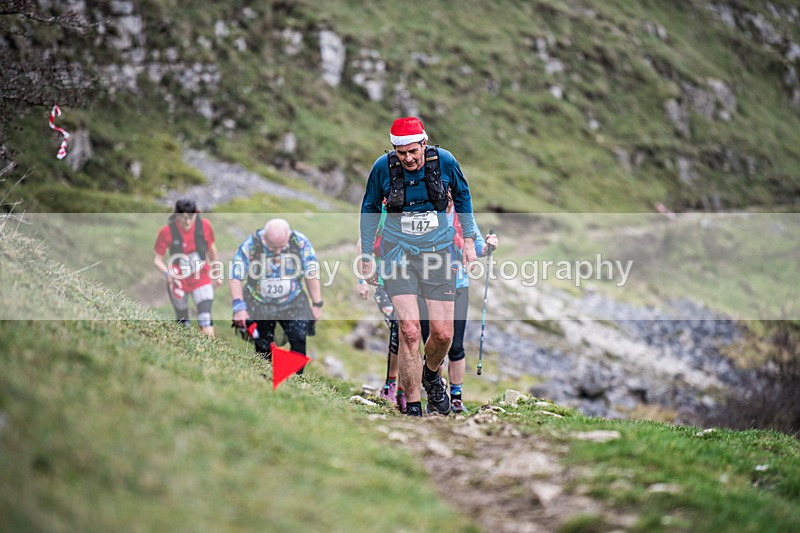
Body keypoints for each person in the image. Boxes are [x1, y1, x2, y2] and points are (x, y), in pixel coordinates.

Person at [359, 117, 478, 417]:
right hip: (397, 255)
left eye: (413, 151)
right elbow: (370, 209)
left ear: (424, 143)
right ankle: (412, 405)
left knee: (443, 335)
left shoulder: (445, 162)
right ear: (394, 151)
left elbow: (463, 196)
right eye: (402, 153)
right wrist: (365, 255)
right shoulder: (382, 168)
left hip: (438, 255)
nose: (409, 158)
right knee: (410, 331)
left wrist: (471, 241)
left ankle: (430, 375)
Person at [419, 195, 499, 413]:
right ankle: (436, 394)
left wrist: (490, 246)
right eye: (445, 196)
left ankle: (456, 397)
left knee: (455, 345)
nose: (449, 200)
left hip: (459, 285)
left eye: (452, 196)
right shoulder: (427, 215)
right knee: (434, 343)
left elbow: (479, 247)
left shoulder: (464, 218)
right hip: (428, 286)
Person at [230, 218, 322, 367]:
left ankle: (297, 382)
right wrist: (239, 307)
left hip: (293, 300)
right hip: (259, 302)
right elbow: (235, 277)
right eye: (273, 247)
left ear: (288, 235)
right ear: (265, 237)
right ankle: (264, 379)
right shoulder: (251, 244)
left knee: (298, 338)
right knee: (263, 346)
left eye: (282, 247)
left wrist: (317, 304)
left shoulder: (300, 242)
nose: (278, 252)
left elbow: (311, 274)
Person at [355, 206, 406, 413]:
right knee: (398, 329)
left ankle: (403, 390)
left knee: (408, 333)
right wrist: (362, 279)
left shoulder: (417, 206)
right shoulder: (380, 211)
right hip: (383, 282)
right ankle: (390, 385)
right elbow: (362, 244)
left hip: (411, 281)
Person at [153, 199, 221, 336]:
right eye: (183, 218)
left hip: (200, 275)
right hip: (178, 279)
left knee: (205, 318)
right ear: (177, 215)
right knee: (183, 321)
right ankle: (186, 351)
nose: (188, 222)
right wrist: (167, 273)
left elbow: (212, 250)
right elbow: (157, 260)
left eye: (191, 217)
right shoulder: (167, 231)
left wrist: (217, 274)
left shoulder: (204, 226)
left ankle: (210, 352)